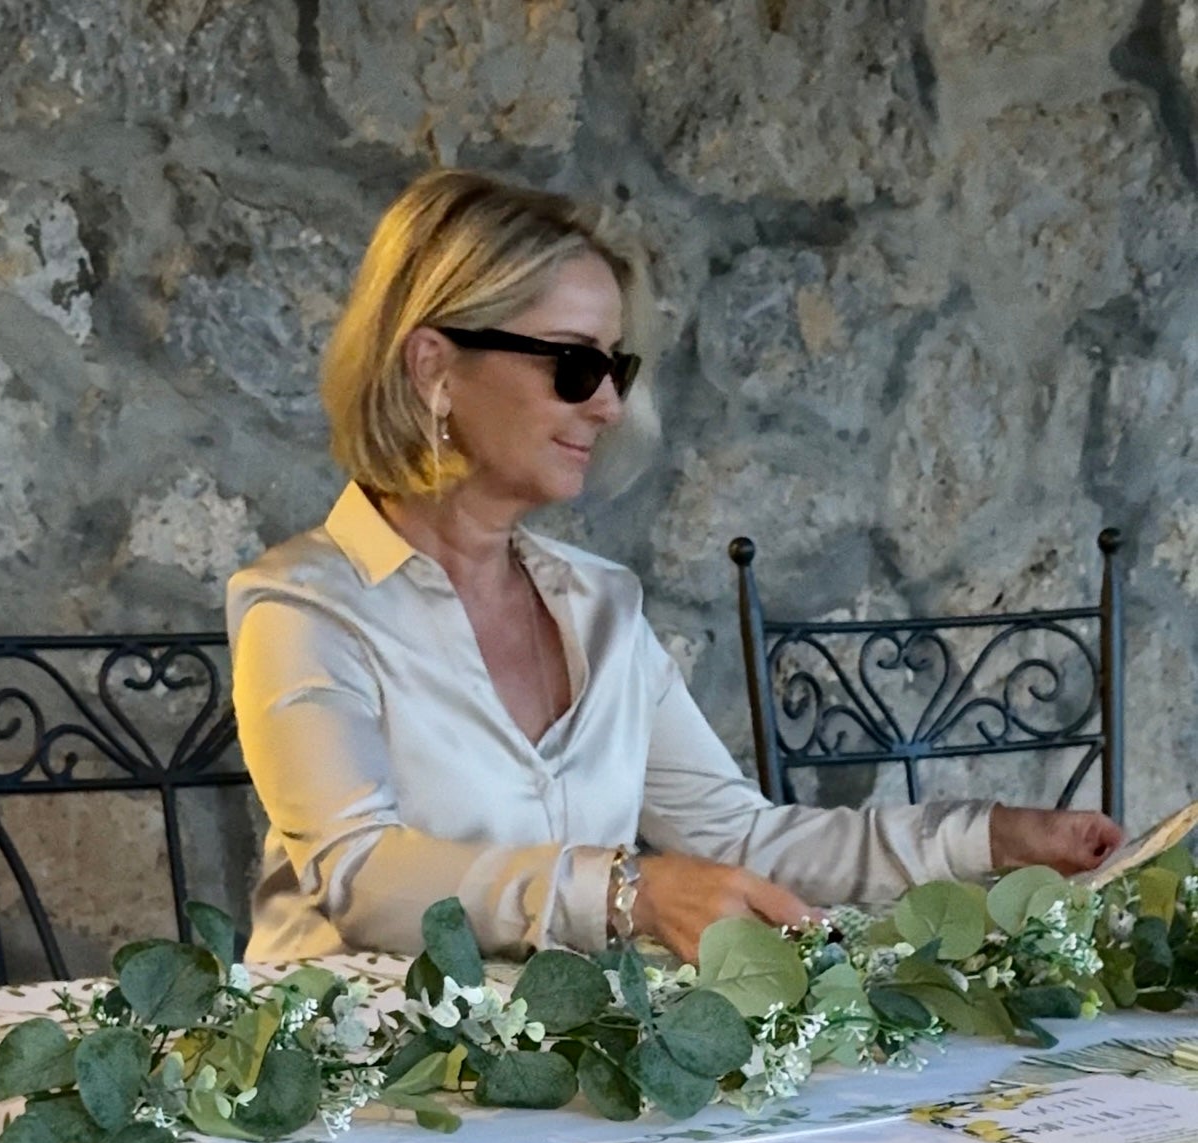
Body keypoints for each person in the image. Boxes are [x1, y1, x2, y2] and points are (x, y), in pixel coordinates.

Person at [228, 170, 1121, 966]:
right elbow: (362, 872)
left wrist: (990, 839)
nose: (610, 405)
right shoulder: (306, 608)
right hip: (352, 1103)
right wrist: (630, 891)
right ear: (434, 366)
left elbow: (741, 836)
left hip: (562, 1087)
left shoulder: (601, 607)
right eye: (575, 366)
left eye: (615, 367)